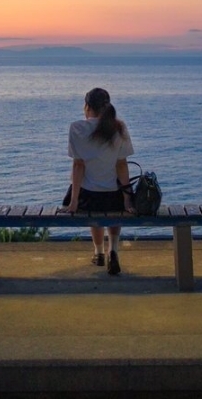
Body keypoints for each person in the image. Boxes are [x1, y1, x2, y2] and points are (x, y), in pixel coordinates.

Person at [61, 86, 135, 275]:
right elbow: (122, 166)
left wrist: (74, 201)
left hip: (87, 197)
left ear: (87, 106)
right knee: (114, 207)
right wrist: (127, 199)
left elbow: (78, 166)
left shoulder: (77, 128)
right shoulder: (119, 127)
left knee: (93, 206)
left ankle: (99, 252)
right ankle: (114, 250)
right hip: (113, 197)